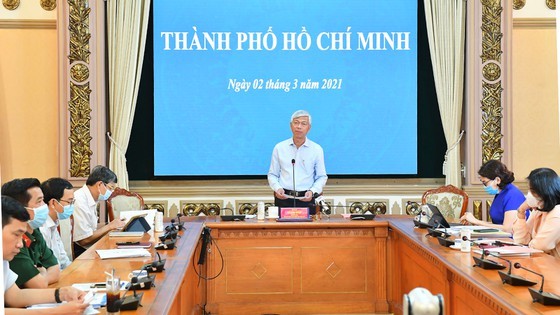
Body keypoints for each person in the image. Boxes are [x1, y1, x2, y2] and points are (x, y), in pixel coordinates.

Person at [2, 196, 89, 314]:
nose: (20, 244)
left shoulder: (4, 260)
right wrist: (55, 312)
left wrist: (61, 293)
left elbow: (15, 296)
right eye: (16, 235)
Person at [1, 178, 60, 288]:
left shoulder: (34, 230)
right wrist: (42, 272)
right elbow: (38, 284)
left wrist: (42, 275)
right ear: (20, 208)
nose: (44, 205)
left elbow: (56, 269)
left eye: (43, 200)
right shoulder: (11, 243)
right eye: (39, 201)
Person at [267, 110, 327, 215]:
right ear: (291, 126)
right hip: (284, 199)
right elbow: (272, 174)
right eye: (296, 122)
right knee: (282, 231)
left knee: (308, 231)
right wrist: (277, 188)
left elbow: (322, 177)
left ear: (309, 128)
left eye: (303, 123)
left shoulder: (317, 149)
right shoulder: (279, 148)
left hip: (307, 200)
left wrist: (312, 191)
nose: (299, 126)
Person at [73, 165, 125, 257]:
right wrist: (110, 226)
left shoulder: (90, 198)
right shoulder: (80, 201)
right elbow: (84, 240)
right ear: (100, 184)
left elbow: (90, 228)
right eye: (110, 188)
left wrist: (112, 225)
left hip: (90, 247)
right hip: (81, 252)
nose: (112, 192)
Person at [460, 160, 526, 232]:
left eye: (485, 183)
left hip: (514, 240)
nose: (484, 186)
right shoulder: (500, 193)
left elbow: (508, 229)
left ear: (497, 180)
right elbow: (498, 224)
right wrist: (476, 223)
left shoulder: (513, 194)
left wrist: (477, 221)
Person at [512, 168, 560, 258]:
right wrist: (521, 212)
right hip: (542, 263)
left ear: (545, 191)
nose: (529, 194)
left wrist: (531, 244)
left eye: (533, 191)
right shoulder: (539, 210)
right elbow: (521, 241)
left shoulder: (557, 212)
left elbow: (540, 246)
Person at [39, 178, 74, 269]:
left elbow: (63, 260)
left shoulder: (54, 223)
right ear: (53, 203)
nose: (71, 206)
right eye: (69, 202)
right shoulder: (42, 228)